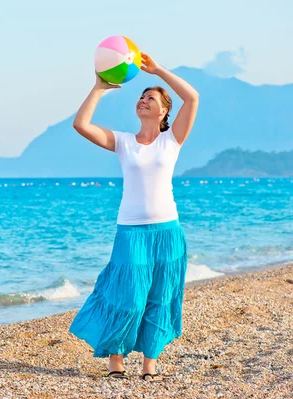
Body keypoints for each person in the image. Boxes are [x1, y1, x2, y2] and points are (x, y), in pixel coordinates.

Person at [67, 52, 199, 382]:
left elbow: (193, 96)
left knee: (159, 296)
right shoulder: (124, 143)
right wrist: (99, 87)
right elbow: (80, 125)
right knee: (127, 296)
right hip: (131, 232)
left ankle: (149, 365)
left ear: (164, 110)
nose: (142, 100)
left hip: (167, 230)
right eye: (141, 96)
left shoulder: (172, 140)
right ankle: (115, 359)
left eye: (150, 97)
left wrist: (157, 71)